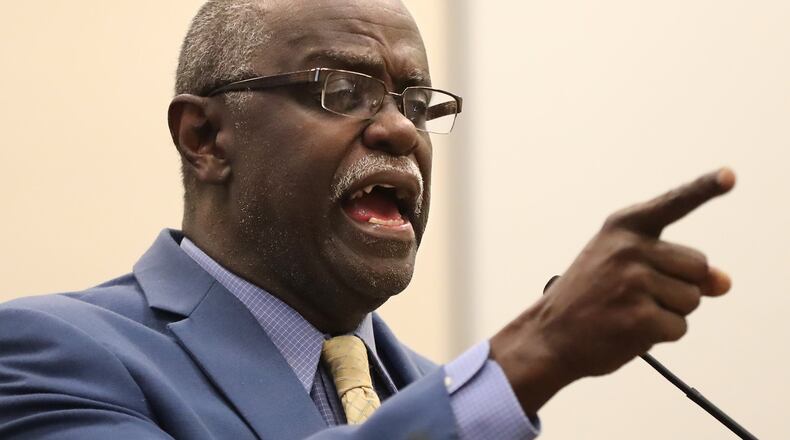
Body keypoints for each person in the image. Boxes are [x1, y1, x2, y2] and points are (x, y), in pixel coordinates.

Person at [0, 0, 736, 438]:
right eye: (342, 91)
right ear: (206, 138)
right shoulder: (48, 354)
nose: (401, 130)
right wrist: (538, 347)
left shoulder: (436, 394)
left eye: (417, 104)